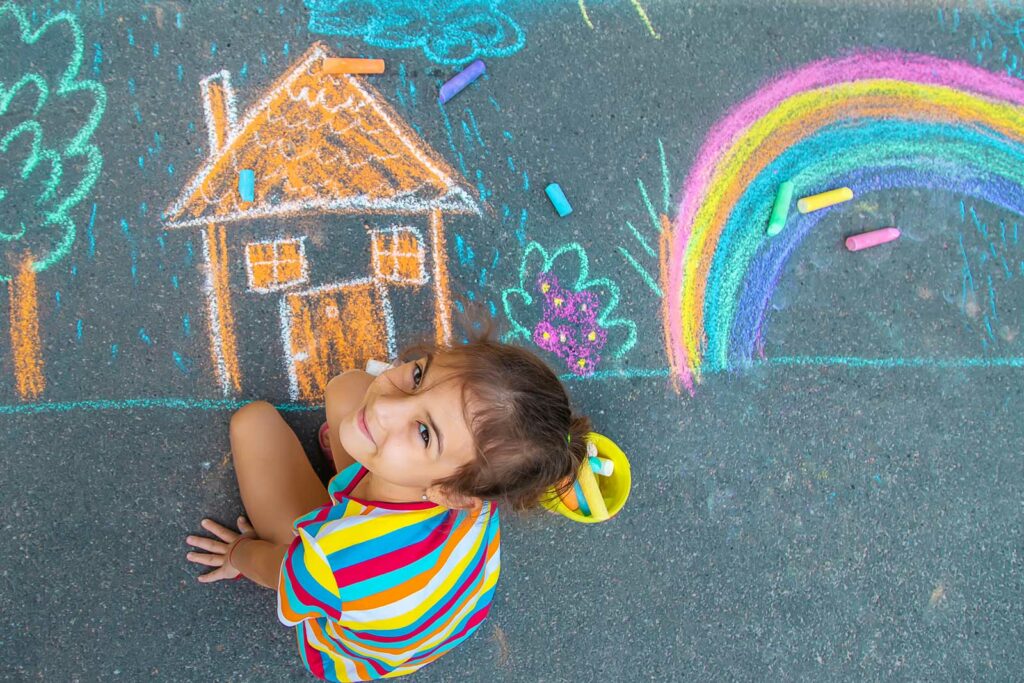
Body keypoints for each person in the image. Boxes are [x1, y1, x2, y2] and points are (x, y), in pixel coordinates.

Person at [184, 316, 592, 681]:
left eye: (425, 433)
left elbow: (279, 572)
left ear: (452, 493)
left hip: (350, 635)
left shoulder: (331, 558)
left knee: (252, 422)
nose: (384, 409)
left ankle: (357, 467)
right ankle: (366, 464)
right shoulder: (475, 488)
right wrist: (393, 443)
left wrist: (238, 554)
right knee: (349, 389)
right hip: (426, 612)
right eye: (418, 377)